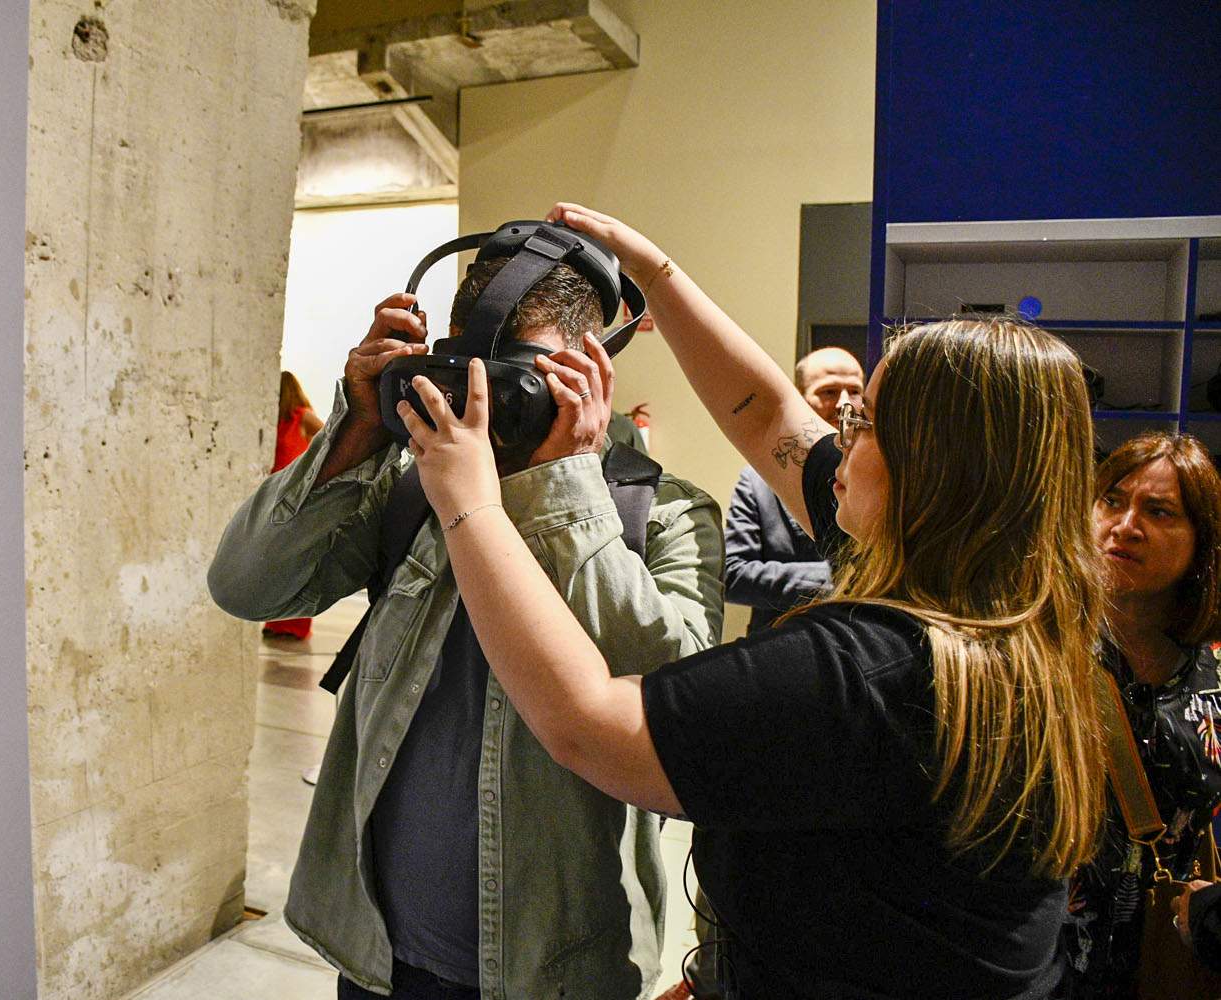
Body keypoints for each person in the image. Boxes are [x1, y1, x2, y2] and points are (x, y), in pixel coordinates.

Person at [395, 202, 1111, 998]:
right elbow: (769, 414)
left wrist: (471, 503)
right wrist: (654, 270)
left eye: (866, 423)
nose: (839, 436)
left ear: (936, 473)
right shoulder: (1011, 615)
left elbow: (587, 726)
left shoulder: (868, 672)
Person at [209, 258, 725, 999]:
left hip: (549, 975)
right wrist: (355, 430)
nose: (487, 405)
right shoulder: (412, 486)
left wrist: (565, 488)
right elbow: (245, 585)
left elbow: (674, 729)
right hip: (379, 955)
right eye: (469, 372)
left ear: (591, 371)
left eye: (519, 378)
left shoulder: (665, 515)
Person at [1059, 431, 1221, 997]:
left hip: (1161, 957)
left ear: (1202, 543)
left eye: (1158, 511)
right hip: (1037, 961)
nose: (1126, 525)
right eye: (1112, 500)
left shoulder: (1214, 679)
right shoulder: (1039, 647)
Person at [724, 347, 862, 634]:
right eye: (829, 392)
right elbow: (733, 575)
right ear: (799, 398)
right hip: (776, 647)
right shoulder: (757, 480)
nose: (844, 404)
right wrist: (839, 578)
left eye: (855, 392)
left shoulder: (875, 476)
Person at [264, 371, 325, 639]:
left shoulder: (301, 416)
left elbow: (328, 438)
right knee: (278, 564)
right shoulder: (276, 422)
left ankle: (293, 625)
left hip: (298, 499)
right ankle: (277, 622)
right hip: (278, 498)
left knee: (294, 562)